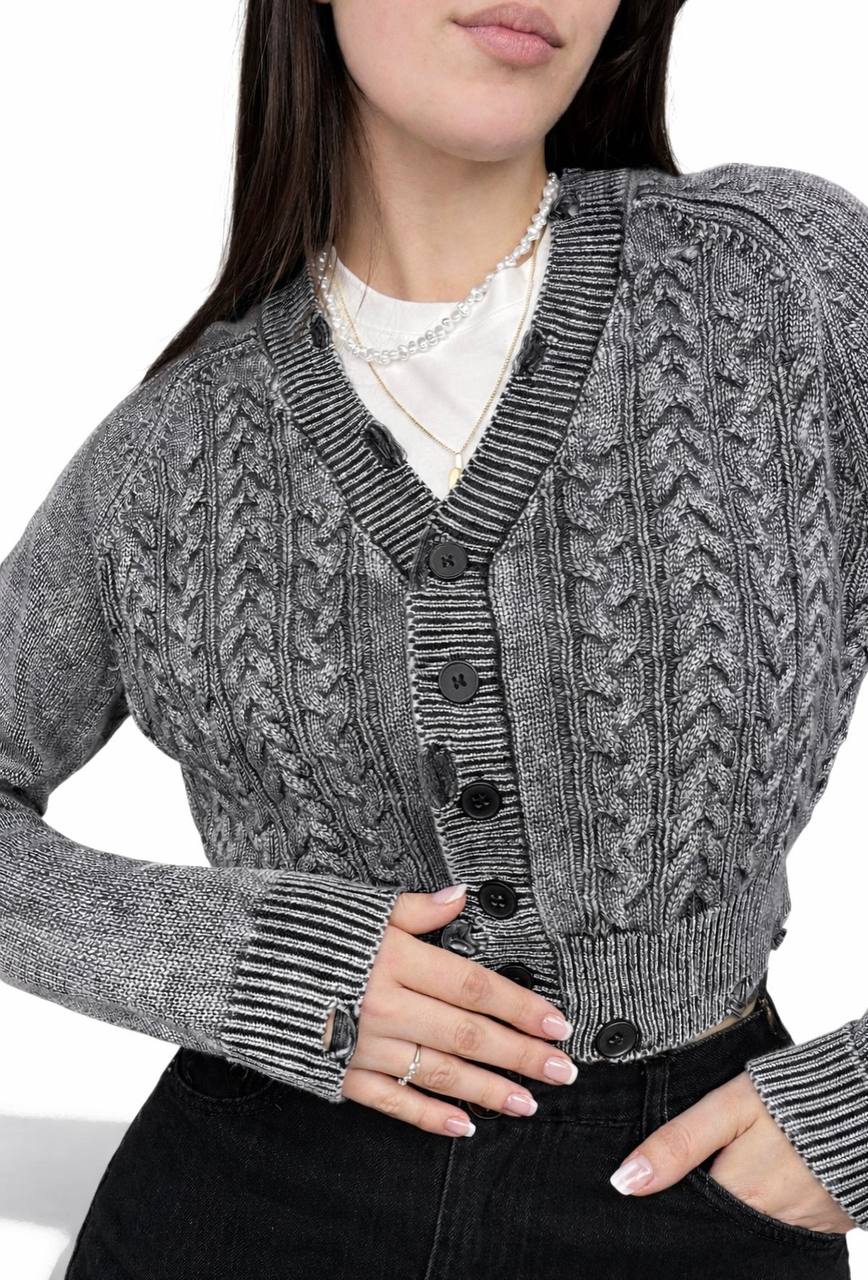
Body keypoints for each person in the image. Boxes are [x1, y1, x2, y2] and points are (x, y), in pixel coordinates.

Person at [1, 1, 866, 1276]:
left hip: (692, 1185)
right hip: (243, 1198)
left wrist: (855, 1115)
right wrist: (243, 963)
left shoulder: (779, 289)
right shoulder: (169, 452)